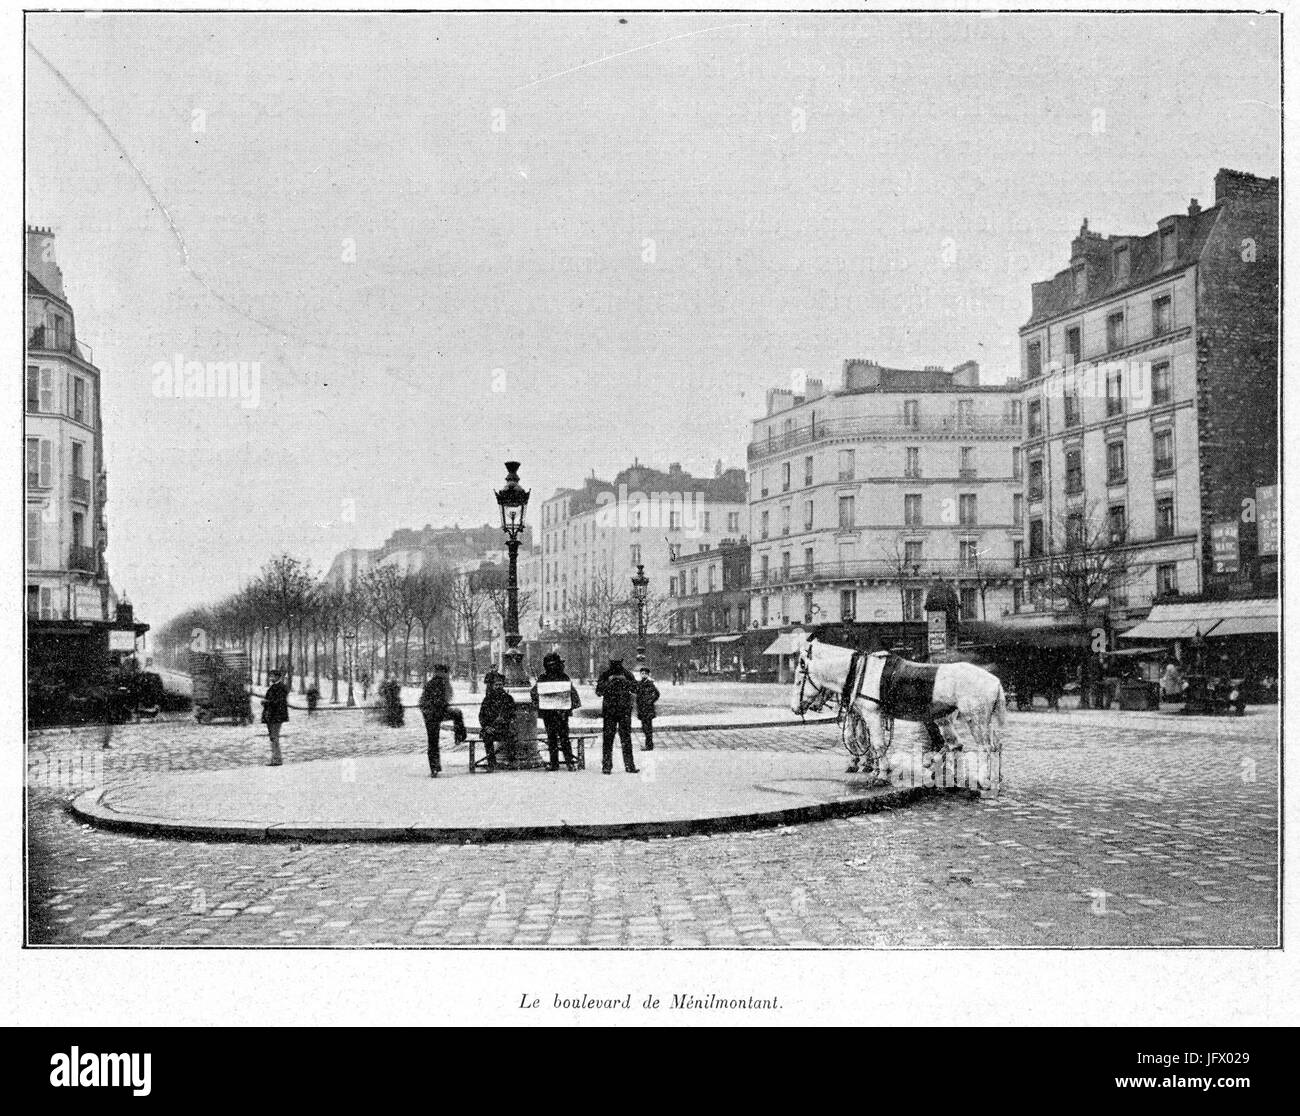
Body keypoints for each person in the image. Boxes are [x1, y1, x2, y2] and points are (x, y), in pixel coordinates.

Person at [531, 652, 579, 771]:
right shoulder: (549, 677)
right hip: (554, 713)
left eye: (554, 664)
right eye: (550, 664)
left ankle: (564, 763)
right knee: (556, 738)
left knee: (560, 738)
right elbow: (534, 692)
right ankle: (561, 763)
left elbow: (571, 693)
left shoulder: (558, 677)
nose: (552, 667)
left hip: (556, 713)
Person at [419, 664, 467, 778]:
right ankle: (460, 736)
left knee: (433, 741)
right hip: (434, 713)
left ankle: (434, 767)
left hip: (432, 713)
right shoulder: (441, 683)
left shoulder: (434, 683)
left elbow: (425, 701)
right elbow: (440, 701)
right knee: (433, 741)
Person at [595, 657, 638, 774]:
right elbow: (599, 691)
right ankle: (619, 765)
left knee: (616, 739)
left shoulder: (613, 674)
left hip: (617, 710)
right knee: (619, 739)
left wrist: (622, 683)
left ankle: (612, 766)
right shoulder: (617, 674)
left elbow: (635, 688)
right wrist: (611, 683)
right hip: (616, 710)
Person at [477, 673, 515, 773]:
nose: (498, 687)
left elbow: (512, 714)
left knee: (511, 736)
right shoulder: (487, 699)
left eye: (500, 684)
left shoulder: (508, 698)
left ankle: (510, 762)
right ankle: (491, 763)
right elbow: (481, 715)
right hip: (490, 728)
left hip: (503, 728)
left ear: (503, 685)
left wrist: (505, 720)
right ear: (493, 686)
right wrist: (486, 726)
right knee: (487, 738)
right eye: (496, 685)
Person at [261, 669, 289, 766]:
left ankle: (277, 759)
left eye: (272, 676)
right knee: (273, 737)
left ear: (278, 677)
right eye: (270, 676)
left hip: (276, 716)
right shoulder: (276, 687)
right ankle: (275, 758)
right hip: (273, 715)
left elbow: (279, 702)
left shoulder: (280, 687)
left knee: (274, 737)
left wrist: (267, 702)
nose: (271, 678)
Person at [636, 666, 661, 751]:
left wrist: (651, 701)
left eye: (645, 674)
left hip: (648, 709)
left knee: (648, 728)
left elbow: (657, 694)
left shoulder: (650, 684)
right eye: (642, 673)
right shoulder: (639, 683)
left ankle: (649, 745)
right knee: (644, 727)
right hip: (642, 709)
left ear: (648, 675)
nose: (643, 675)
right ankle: (648, 744)